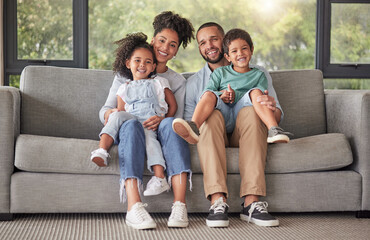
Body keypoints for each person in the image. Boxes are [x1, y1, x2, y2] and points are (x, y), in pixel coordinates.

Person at [98, 11, 194, 230]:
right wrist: (115, 116)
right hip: (131, 126)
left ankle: (180, 205)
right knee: (130, 124)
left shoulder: (176, 81)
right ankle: (134, 207)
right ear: (153, 40)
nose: (165, 48)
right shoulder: (127, 73)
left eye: (172, 45)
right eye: (162, 41)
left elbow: (176, 116)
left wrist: (162, 119)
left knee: (171, 124)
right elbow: (106, 109)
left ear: (176, 51)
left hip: (161, 129)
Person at [182, 22, 283, 228]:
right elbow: (191, 130)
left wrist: (269, 108)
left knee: (252, 112)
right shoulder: (194, 83)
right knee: (209, 117)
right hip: (211, 134)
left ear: (224, 41)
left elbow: (279, 115)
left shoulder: (258, 73)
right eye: (202, 43)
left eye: (214, 39)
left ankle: (251, 203)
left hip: (245, 132)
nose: (209, 45)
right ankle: (217, 201)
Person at [91, 32, 177, 199]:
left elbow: (173, 106)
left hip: (150, 123)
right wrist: (115, 114)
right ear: (128, 63)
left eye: (147, 62)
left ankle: (160, 177)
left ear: (153, 67)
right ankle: (102, 150)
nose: (142, 65)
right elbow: (121, 110)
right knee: (116, 116)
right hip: (131, 122)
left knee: (151, 143)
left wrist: (164, 120)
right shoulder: (123, 87)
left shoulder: (159, 82)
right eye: (137, 60)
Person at [173, 28, 291, 144]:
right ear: (227, 56)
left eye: (244, 48)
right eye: (234, 51)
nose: (240, 53)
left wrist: (268, 104)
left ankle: (274, 130)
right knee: (209, 94)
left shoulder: (259, 74)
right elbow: (210, 90)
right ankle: (194, 126)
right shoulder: (220, 73)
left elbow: (261, 95)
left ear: (251, 50)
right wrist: (221, 95)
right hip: (223, 111)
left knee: (256, 92)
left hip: (245, 110)